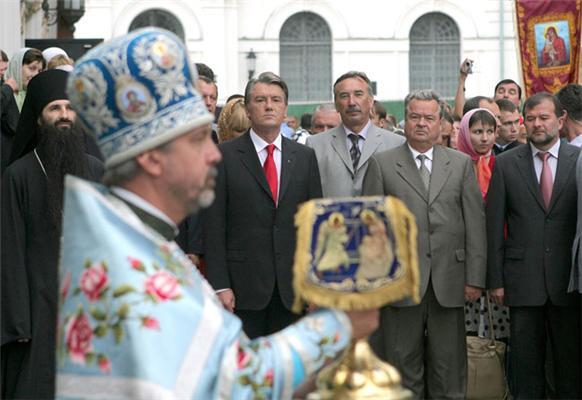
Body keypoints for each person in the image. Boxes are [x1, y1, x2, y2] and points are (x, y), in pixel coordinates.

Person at [56, 28, 378, 399]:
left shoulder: (134, 239)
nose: (212, 154)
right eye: (196, 141)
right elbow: (232, 381)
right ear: (151, 158)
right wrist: (338, 326)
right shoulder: (125, 264)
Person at [362, 89, 486, 399]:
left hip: (450, 279)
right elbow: (370, 228)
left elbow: (475, 223)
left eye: (429, 118)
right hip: (400, 283)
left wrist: (475, 277)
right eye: (415, 117)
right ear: (404, 120)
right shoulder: (382, 164)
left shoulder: (459, 164)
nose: (421, 124)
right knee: (403, 363)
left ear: (442, 123)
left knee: (448, 366)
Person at [1, 69, 104, 399]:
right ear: (38, 117)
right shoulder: (17, 176)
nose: (64, 115)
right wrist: (18, 321)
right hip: (38, 309)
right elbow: (9, 250)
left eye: (69, 107)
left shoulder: (97, 171)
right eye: (54, 108)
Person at [203, 71, 323, 339]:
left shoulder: (304, 157)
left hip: (294, 292)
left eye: (275, 100)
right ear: (248, 108)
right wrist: (220, 286)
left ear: (285, 108)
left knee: (293, 374)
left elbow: (315, 227)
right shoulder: (225, 156)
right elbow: (213, 227)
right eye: (260, 100)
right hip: (242, 291)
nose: (269, 106)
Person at [486, 92, 580, 399]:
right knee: (525, 369)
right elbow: (494, 226)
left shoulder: (578, 161)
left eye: (544, 117)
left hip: (569, 282)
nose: (537, 124)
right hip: (522, 283)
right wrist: (496, 280)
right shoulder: (505, 164)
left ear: (560, 119)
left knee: (570, 368)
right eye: (531, 119)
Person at [456, 108, 511, 340]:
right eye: (478, 131)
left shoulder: (503, 166)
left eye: (490, 131)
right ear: (466, 134)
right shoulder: (455, 166)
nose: (485, 137)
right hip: (463, 260)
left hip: (498, 255)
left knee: (498, 336)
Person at [306, 71, 404, 197]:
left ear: (371, 101)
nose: (351, 102)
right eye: (344, 96)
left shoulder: (396, 143)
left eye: (358, 94)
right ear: (336, 104)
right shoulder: (315, 144)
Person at [1, 48, 44, 172]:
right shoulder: (5, 91)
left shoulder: (30, 95)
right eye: (31, 68)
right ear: (18, 66)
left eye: (39, 70)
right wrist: (7, 90)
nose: (36, 74)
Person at [197, 74, 219, 144]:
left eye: (213, 98)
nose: (208, 103)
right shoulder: (179, 137)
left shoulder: (221, 134)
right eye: (203, 97)